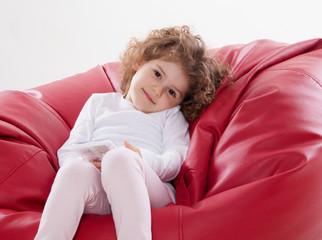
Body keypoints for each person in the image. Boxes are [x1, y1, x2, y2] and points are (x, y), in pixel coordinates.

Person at [34, 25, 229, 240]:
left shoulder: (170, 116)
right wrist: (83, 161)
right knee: (73, 171)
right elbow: (70, 148)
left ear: (180, 101)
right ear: (139, 62)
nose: (157, 90)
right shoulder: (99, 102)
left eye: (172, 92)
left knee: (119, 157)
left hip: (148, 190)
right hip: (100, 187)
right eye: (157, 74)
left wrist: (140, 158)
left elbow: (176, 158)